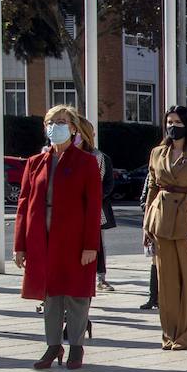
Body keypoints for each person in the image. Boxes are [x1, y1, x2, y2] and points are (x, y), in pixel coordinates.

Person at [13, 105, 102, 370]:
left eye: (62, 122)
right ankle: (53, 345)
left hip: (74, 238)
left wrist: (90, 245)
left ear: (73, 128)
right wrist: (20, 245)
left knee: (75, 294)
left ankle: (75, 346)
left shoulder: (86, 162)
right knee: (50, 295)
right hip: (43, 236)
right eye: (51, 121)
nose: (56, 126)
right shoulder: (35, 162)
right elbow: (24, 203)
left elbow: (94, 205)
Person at [143, 106, 187, 350]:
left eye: (177, 121)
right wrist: (147, 222)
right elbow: (152, 187)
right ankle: (169, 334)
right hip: (162, 218)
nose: (172, 126)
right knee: (166, 282)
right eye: (169, 121)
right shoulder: (158, 152)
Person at [75, 118, 117, 292]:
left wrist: (94, 198)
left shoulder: (99, 157)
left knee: (97, 243)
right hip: (72, 210)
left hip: (94, 208)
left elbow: (107, 184)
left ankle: (101, 277)